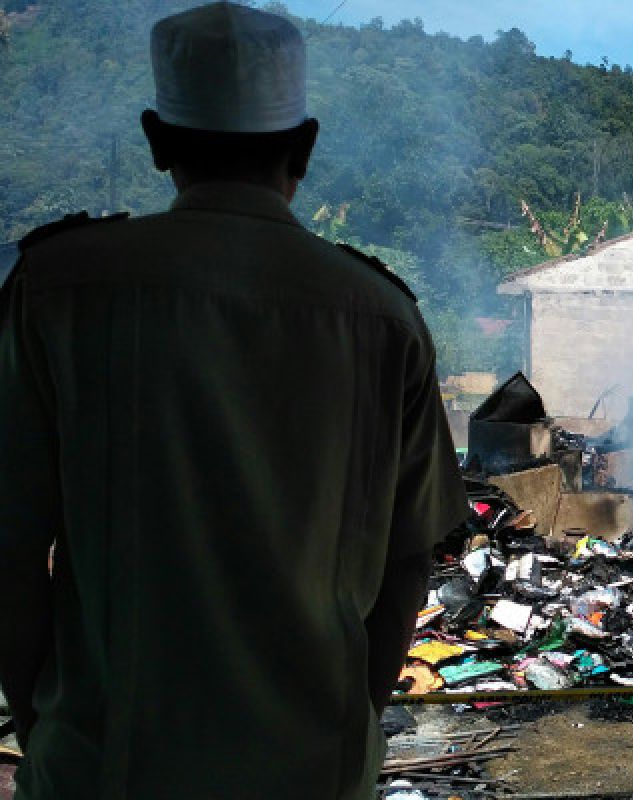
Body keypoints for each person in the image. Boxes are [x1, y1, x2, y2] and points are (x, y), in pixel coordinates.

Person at [0, 3, 466, 798]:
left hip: (104, 767)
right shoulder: (381, 315)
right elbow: (407, 558)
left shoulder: (57, 288)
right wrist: (354, 720)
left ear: (154, 138)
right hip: (313, 771)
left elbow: (8, 547)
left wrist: (47, 724)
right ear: (307, 146)